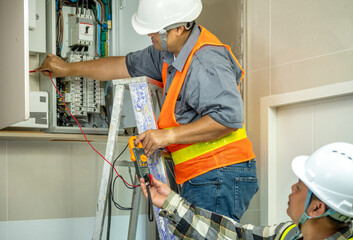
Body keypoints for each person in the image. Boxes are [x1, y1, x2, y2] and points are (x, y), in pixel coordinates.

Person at [36, 0, 257, 221]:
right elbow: (121, 66)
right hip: (202, 176)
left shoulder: (205, 60)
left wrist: (166, 136)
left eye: (155, 30)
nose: (149, 34)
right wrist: (66, 68)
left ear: (179, 28)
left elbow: (228, 118)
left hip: (220, 174)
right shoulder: (166, 53)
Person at [140, 142, 353, 240]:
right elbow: (234, 236)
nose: (292, 188)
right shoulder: (290, 234)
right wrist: (170, 202)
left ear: (316, 207)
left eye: (300, 187)